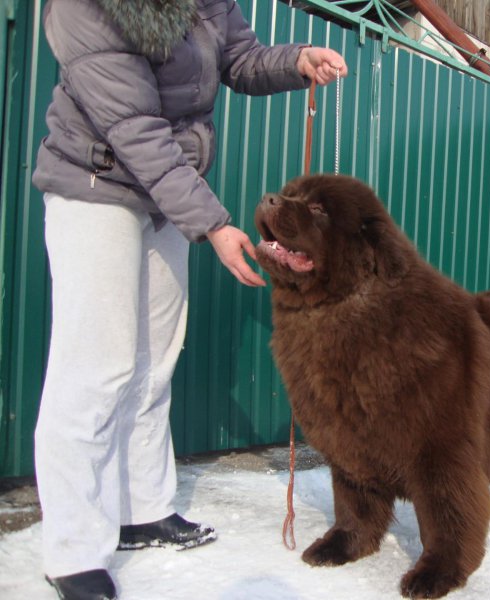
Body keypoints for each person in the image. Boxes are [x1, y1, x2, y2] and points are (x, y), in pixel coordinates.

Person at [31, 1, 347, 598]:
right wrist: (213, 224)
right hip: (96, 188)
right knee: (97, 369)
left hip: (166, 199)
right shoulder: (83, 7)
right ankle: (72, 547)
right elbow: (135, 130)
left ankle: (141, 508)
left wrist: (296, 61)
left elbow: (240, 58)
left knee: (154, 359)